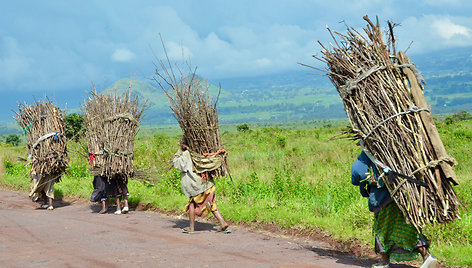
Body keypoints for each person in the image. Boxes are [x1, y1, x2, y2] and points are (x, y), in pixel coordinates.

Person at [351, 149, 438, 268]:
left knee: (382, 229)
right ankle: (426, 256)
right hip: (404, 195)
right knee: (407, 227)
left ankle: (384, 262)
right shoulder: (401, 149)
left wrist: (363, 185)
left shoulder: (368, 151)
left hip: (382, 198)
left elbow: (357, 173)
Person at [173, 140, 230, 234]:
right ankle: (223, 223)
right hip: (208, 184)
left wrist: (180, 150)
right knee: (211, 204)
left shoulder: (187, 154)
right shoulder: (200, 153)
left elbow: (177, 164)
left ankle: (191, 228)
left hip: (197, 186)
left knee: (192, 203)